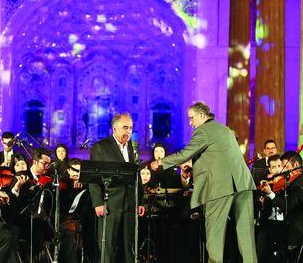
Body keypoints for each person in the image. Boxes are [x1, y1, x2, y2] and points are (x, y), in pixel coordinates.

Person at [151, 102, 257, 263]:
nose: (190, 122)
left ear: (202, 115)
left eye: (191, 118)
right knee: (246, 236)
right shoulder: (224, 129)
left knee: (214, 234)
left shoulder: (203, 131)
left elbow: (185, 153)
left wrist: (160, 162)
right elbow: (219, 159)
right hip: (243, 183)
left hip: (220, 187)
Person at [89, 112, 145, 263]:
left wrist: (140, 200)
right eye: (125, 127)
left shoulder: (133, 148)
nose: (129, 132)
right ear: (114, 128)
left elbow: (136, 176)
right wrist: (98, 202)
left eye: (131, 128)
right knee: (108, 248)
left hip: (130, 205)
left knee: (130, 248)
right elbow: (93, 179)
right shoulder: (101, 147)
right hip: (109, 205)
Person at [259, 151, 303, 262]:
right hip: (288, 225)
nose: (282, 171)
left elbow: (287, 206)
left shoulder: (300, 182)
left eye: (284, 166)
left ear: (296, 165)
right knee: (264, 231)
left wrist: (270, 193)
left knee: (265, 235)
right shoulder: (292, 181)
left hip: (296, 230)